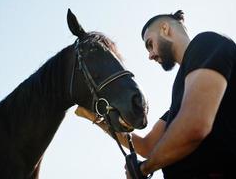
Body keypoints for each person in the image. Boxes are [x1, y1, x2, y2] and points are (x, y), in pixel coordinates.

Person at [75, 10, 236, 179]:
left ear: (165, 29)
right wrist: (99, 120)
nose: (150, 55)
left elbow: (194, 126)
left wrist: (143, 169)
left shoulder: (206, 43)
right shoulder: (182, 90)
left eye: (150, 44)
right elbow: (148, 146)